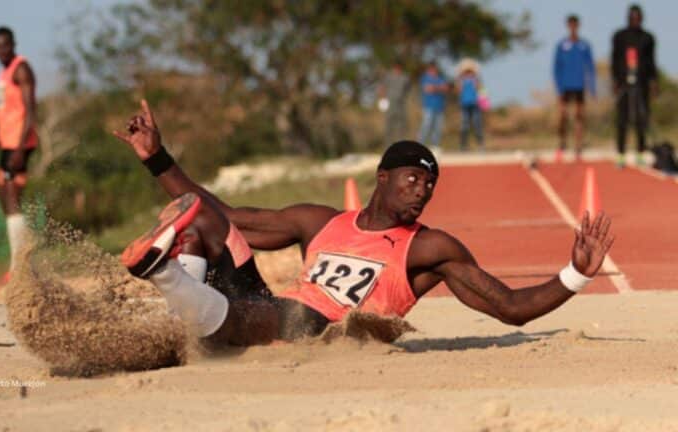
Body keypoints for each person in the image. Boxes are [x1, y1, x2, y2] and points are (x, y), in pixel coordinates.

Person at [112, 100, 615, 346]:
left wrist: (576, 274)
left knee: (302, 317)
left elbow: (509, 308)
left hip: (320, 331)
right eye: (413, 179)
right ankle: (179, 321)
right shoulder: (322, 222)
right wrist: (156, 160)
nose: (423, 189)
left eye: (430, 185)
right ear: (383, 177)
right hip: (267, 310)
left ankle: (165, 277)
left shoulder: (427, 248)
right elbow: (228, 215)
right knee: (204, 227)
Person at [0, 26, 38, 284]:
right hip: (6, 144)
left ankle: (21, 267)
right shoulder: (3, 74)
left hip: (20, 145)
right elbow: (3, 116)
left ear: (13, 44)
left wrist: (19, 149)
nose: (0, 50)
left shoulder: (21, 69)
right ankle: (22, 263)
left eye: (4, 45)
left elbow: (30, 111)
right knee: (5, 199)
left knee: (12, 196)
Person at [611, 4, 658, 168]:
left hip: (642, 82)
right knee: (622, 118)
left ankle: (640, 152)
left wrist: (653, 82)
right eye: (632, 18)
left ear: (642, 18)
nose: (635, 21)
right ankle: (621, 154)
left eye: (638, 18)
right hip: (624, 82)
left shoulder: (647, 38)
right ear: (628, 18)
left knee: (641, 118)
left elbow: (652, 61)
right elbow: (615, 59)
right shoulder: (620, 36)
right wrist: (615, 80)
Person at [553, 14, 596, 162]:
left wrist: (592, 87)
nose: (573, 27)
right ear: (567, 26)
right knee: (563, 116)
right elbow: (556, 68)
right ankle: (562, 144)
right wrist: (558, 88)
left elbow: (590, 67)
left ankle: (578, 148)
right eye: (570, 24)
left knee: (579, 117)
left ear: (578, 25)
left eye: (575, 24)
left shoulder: (584, 45)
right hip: (565, 86)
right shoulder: (562, 46)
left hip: (579, 86)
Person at [378, 61, 412, 144]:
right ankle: (388, 145)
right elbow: (382, 88)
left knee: (401, 125)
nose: (397, 69)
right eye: (395, 67)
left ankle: (401, 145)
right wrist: (382, 99)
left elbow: (408, 89)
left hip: (401, 104)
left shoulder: (405, 77)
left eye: (398, 67)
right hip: (390, 104)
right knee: (389, 124)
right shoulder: (388, 76)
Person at [417, 62, 448, 150]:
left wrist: (435, 88)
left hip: (440, 107)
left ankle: (435, 146)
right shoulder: (425, 78)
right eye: (432, 69)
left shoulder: (440, 78)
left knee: (437, 128)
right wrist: (439, 88)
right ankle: (420, 145)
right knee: (426, 126)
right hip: (428, 107)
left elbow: (445, 88)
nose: (434, 71)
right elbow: (427, 89)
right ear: (429, 69)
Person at [456, 60, 484, 151]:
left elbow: (479, 89)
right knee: (464, 125)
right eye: (466, 72)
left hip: (475, 104)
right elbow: (459, 90)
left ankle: (480, 145)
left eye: (470, 71)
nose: (468, 73)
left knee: (477, 125)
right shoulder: (461, 80)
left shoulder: (475, 79)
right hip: (464, 104)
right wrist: (460, 80)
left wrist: (475, 80)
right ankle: (463, 146)